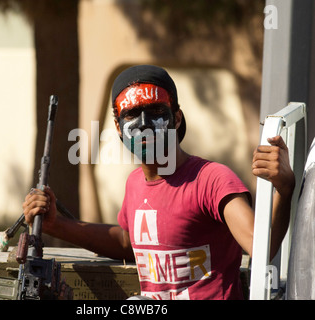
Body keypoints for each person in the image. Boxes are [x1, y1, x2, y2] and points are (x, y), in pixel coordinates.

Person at [23, 65, 295, 300]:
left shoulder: (212, 179)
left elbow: (262, 247)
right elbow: (129, 242)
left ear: (176, 118)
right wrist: (57, 225)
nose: (144, 124)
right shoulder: (134, 184)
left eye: (155, 111)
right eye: (131, 114)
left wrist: (284, 187)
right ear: (118, 127)